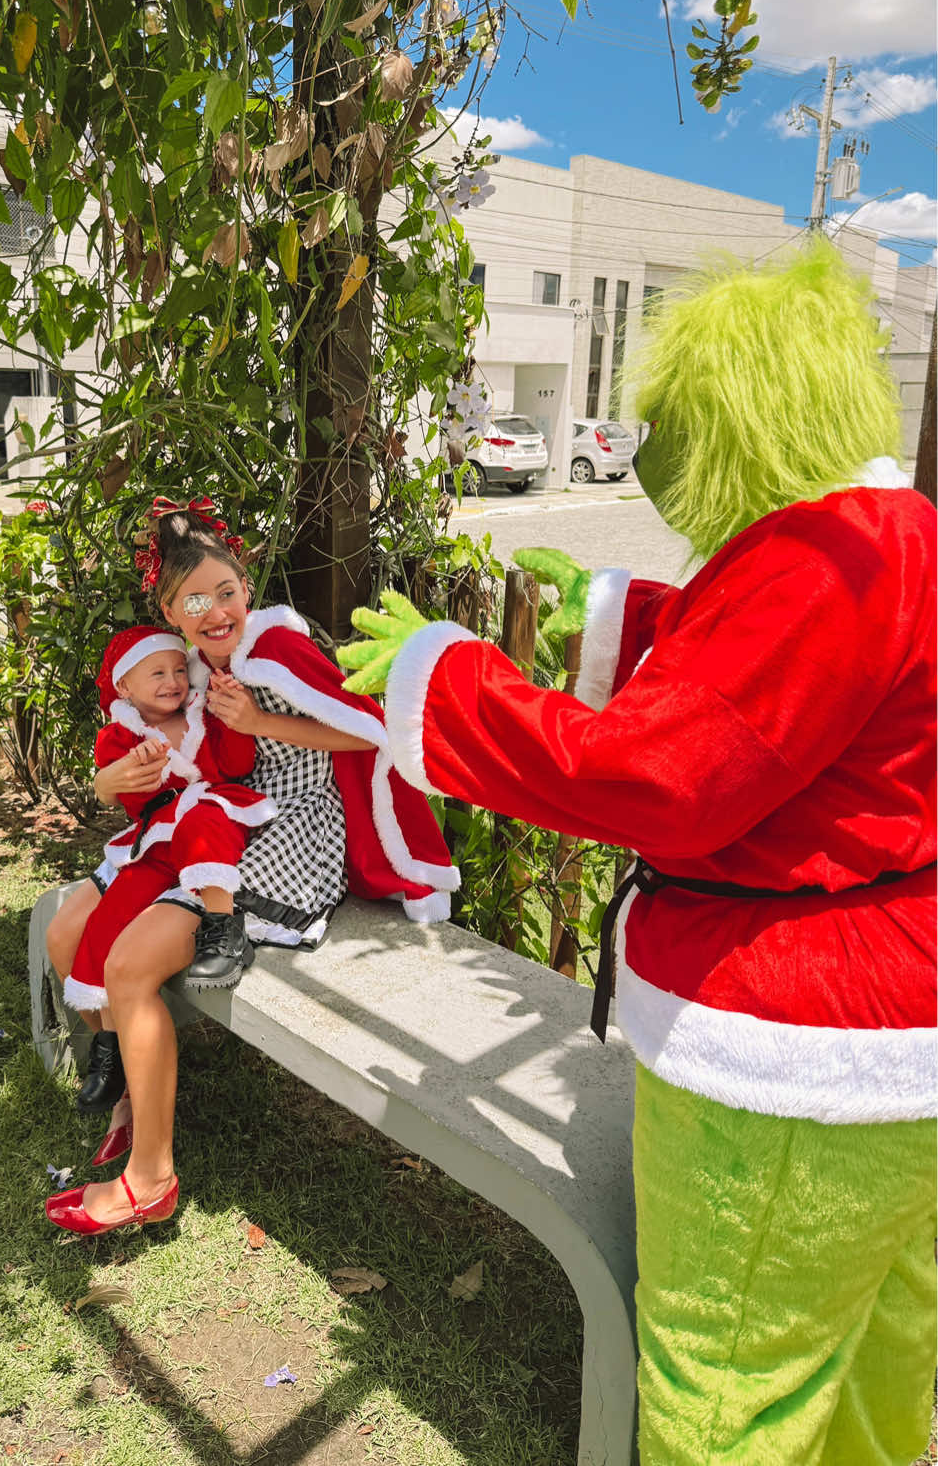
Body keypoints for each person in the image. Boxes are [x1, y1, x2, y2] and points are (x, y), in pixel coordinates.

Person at [339, 243, 936, 1465]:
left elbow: (660, 774)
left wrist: (444, 677)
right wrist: (613, 613)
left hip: (796, 1048)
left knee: (728, 1385)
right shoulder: (893, 536)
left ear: (736, 419)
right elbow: (788, 695)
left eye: (669, 421)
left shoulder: (832, 561)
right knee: (878, 1351)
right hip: (894, 1029)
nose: (647, 447)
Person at [44, 502, 457, 1235]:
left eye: (226, 591)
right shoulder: (191, 670)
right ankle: (131, 1104)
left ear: (245, 585)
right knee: (77, 923)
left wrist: (260, 722)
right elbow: (159, 769)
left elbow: (366, 732)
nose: (215, 611)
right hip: (227, 827)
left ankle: (150, 1176)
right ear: (170, 611)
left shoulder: (274, 652)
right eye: (194, 601)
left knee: (132, 963)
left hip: (292, 836)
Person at [52, 623, 277, 1122]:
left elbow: (235, 765)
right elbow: (133, 801)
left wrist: (231, 720)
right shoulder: (120, 736)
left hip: (210, 819)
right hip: (157, 840)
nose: (173, 680)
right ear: (125, 687)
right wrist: (140, 767)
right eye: (156, 672)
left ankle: (223, 928)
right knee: (107, 920)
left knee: (204, 816)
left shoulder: (201, 714)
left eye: (179, 669)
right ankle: (108, 1047)